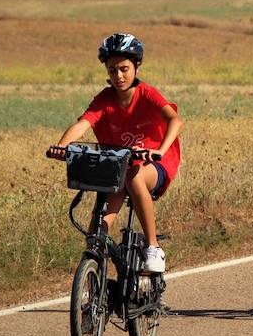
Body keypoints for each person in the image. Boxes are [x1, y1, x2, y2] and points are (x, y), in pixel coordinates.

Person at [49, 33, 183, 275]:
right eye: (112, 70)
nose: (118, 76)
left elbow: (175, 120)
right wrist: (62, 145)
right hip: (118, 165)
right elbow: (83, 123)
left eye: (124, 69)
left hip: (154, 164)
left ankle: (153, 246)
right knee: (98, 226)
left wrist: (159, 150)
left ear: (136, 66)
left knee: (133, 176)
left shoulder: (147, 94)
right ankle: (95, 270)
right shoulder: (105, 98)